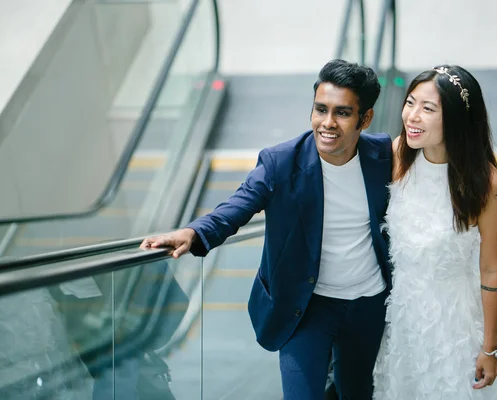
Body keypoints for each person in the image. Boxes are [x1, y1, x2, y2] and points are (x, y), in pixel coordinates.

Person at [141, 59, 393, 399]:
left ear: (365, 119)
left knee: (356, 392)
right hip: (306, 307)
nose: (327, 123)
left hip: (367, 305)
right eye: (321, 109)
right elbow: (239, 205)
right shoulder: (281, 162)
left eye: (342, 113)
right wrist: (193, 232)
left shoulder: (381, 155)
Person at [372, 65, 497, 399]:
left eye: (428, 109)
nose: (412, 116)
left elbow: (492, 268)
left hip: (455, 327)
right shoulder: (397, 156)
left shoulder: (485, 183)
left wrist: (490, 348)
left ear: (457, 120)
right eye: (410, 103)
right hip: (401, 320)